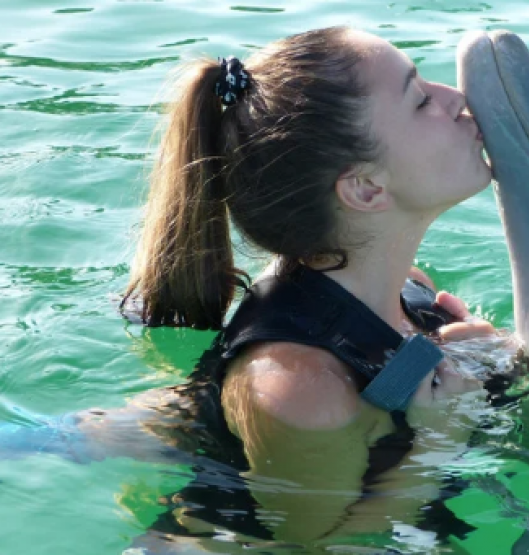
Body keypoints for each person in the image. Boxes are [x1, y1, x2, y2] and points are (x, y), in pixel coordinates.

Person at [121, 25, 499, 547]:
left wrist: (486, 357)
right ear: (365, 188)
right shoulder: (300, 387)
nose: (455, 97)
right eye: (419, 100)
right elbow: (307, 546)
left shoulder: (408, 290)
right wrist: (438, 442)